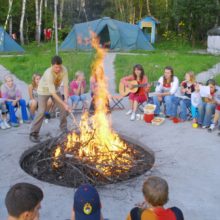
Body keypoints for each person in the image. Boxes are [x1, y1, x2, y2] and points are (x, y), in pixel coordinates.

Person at [29, 55, 71, 143]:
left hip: (55, 89)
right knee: (41, 111)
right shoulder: (48, 73)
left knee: (63, 108)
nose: (58, 69)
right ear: (51, 65)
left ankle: (63, 128)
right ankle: (33, 133)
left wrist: (66, 100)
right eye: (56, 67)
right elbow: (52, 94)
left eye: (59, 67)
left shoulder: (64, 70)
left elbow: (66, 86)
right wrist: (64, 103)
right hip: (43, 91)